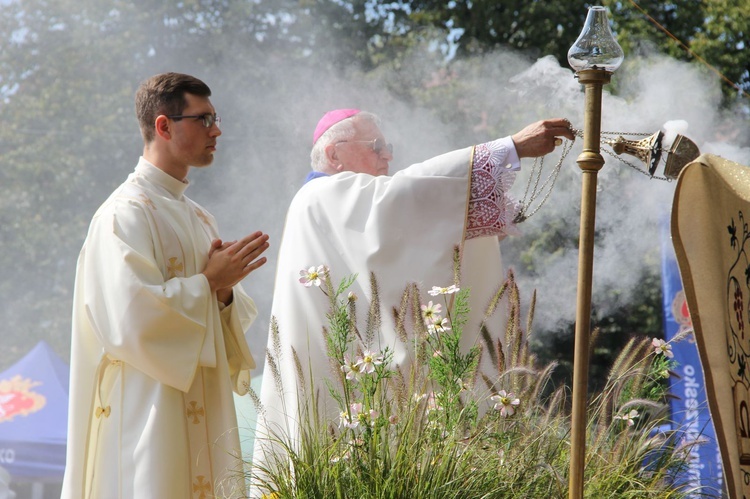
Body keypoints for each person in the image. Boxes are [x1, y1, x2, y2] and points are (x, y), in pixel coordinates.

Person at [251, 109, 573, 484]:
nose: (387, 155)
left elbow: (401, 235)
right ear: (334, 154)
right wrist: (510, 147)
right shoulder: (319, 195)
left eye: (388, 147)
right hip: (340, 386)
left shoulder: (339, 203)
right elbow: (400, 200)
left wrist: (460, 229)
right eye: (376, 146)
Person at [61, 72, 270, 499]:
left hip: (203, 410)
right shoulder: (123, 215)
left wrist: (225, 291)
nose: (217, 130)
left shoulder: (198, 216)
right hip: (148, 415)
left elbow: (221, 318)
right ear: (163, 126)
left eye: (215, 118)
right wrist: (209, 281)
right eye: (204, 119)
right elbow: (129, 321)